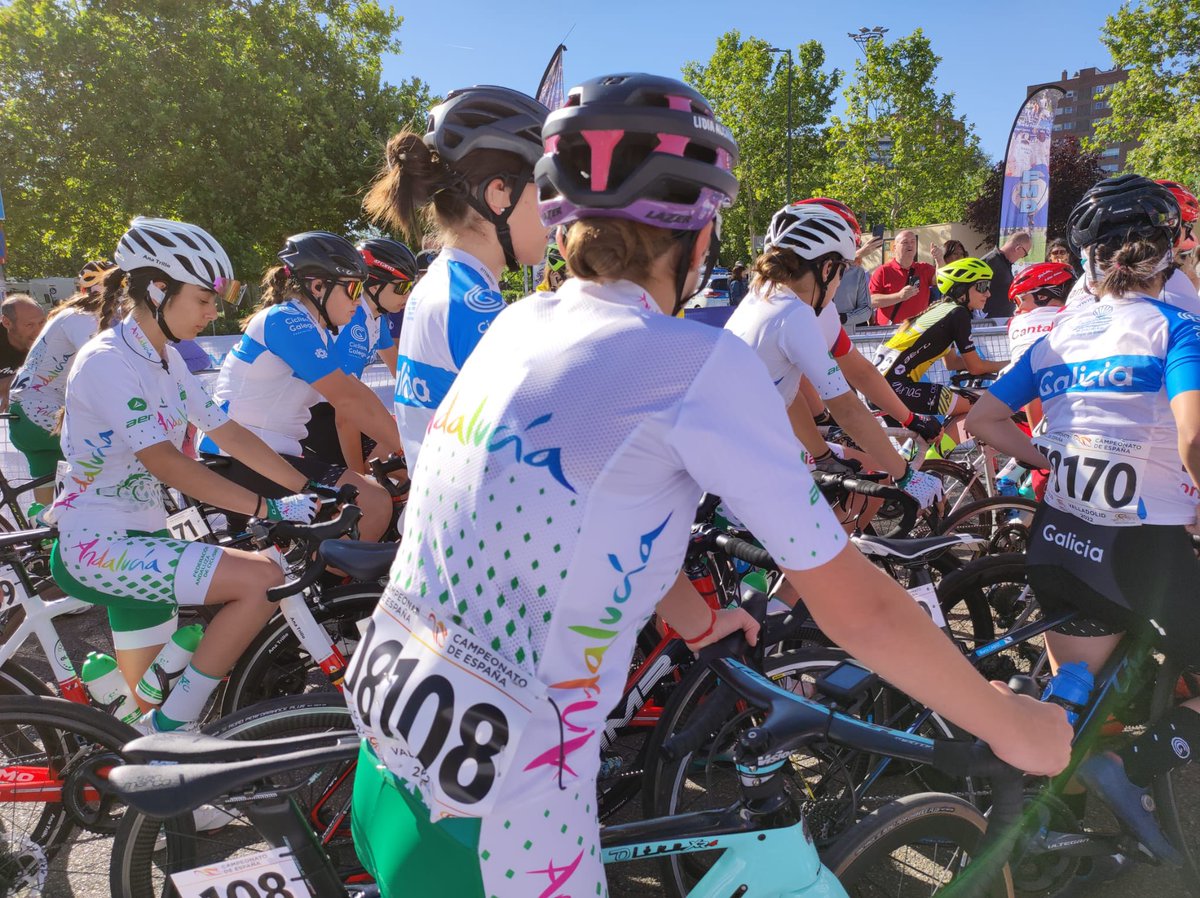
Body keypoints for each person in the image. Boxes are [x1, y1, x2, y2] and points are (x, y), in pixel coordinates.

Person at [345, 72, 1070, 898]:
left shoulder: (518, 323)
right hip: (497, 822)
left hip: (389, 751)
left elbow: (580, 513)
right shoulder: (690, 359)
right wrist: (1014, 723)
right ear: (696, 239)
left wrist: (695, 617)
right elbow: (855, 605)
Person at [967, 174, 1200, 868]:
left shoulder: (1060, 333)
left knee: (1073, 692)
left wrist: (1052, 458)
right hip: (1141, 550)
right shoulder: (1177, 325)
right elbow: (1192, 441)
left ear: (1089, 259)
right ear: (1167, 251)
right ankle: (1132, 769)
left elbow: (982, 418)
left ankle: (1046, 826)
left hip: (1060, 540)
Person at [47, 217, 321, 733]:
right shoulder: (106, 361)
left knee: (135, 714)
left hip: (142, 536)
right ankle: (173, 733)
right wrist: (268, 507)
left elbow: (230, 432)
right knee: (264, 577)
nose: (213, 311)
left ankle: (153, 762)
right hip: (97, 544)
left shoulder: (165, 359)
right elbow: (166, 463)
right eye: (203, 298)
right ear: (157, 289)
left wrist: (307, 487)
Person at [362, 85, 549, 469]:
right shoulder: (471, 305)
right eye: (546, 189)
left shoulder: (444, 283)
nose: (556, 211)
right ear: (500, 193)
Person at [726, 201, 942, 509]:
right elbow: (847, 408)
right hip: (749, 455)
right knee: (861, 507)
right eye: (842, 272)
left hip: (731, 443)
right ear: (826, 268)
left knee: (863, 480)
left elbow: (785, 393)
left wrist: (824, 456)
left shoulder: (763, 296)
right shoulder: (796, 314)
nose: (841, 283)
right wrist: (906, 475)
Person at [201, 231, 399, 541]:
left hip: (269, 452)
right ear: (318, 286)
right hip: (240, 455)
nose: (358, 300)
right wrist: (411, 449)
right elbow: (348, 401)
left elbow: (357, 392)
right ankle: (332, 587)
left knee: (363, 500)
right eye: (353, 288)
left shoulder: (315, 328)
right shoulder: (287, 320)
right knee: (373, 502)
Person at [300, 237, 417, 472]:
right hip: (320, 417)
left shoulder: (375, 316)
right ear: (374, 286)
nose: (408, 296)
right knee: (402, 470)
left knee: (409, 455)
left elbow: (403, 377)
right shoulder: (355, 322)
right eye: (403, 287)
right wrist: (360, 477)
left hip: (333, 412)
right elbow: (345, 413)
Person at [8, 280, 121, 499]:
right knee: (114, 454)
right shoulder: (82, 319)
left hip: (23, 415)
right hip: (43, 412)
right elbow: (100, 360)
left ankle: (43, 531)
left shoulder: (68, 314)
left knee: (46, 495)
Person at [874, 258, 1008, 442]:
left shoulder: (940, 310)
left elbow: (952, 362)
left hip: (879, 386)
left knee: (907, 462)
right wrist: (1012, 363)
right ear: (961, 291)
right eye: (982, 286)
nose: (989, 293)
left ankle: (929, 465)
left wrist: (984, 364)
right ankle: (938, 457)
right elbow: (975, 368)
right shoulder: (957, 314)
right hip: (897, 387)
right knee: (974, 407)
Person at [868, 230, 944, 325]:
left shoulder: (924, 268)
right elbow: (871, 300)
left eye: (913, 241)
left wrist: (939, 260)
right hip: (889, 332)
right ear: (895, 247)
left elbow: (940, 280)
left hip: (917, 331)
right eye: (905, 242)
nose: (910, 245)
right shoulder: (883, 271)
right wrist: (899, 296)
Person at [0, 294, 48, 410]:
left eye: (41, 323)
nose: (39, 332)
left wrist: (10, 385)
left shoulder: (49, 337)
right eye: (29, 325)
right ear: (6, 322)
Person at [979, 232, 1031, 319]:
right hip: (990, 322)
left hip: (1001, 320)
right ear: (1018, 249)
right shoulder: (990, 262)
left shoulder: (1004, 263)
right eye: (1025, 254)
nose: (1022, 257)